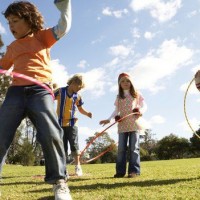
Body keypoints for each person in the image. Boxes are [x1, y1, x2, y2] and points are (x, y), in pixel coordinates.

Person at [0, 1, 72, 199]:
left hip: (40, 90)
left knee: (50, 132)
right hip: (15, 91)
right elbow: (2, 67)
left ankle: (59, 182)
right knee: (1, 133)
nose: (11, 26)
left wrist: (65, 7)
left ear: (29, 19)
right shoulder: (12, 47)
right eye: (8, 23)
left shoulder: (42, 37)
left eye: (15, 20)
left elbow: (63, 27)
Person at [99, 72, 147, 178]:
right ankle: (120, 171)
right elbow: (116, 110)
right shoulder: (119, 96)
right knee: (121, 149)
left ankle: (134, 171)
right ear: (119, 84)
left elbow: (144, 105)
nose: (125, 83)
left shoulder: (136, 93)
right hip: (123, 125)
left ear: (131, 82)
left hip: (134, 123)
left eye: (128, 81)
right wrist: (109, 119)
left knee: (134, 148)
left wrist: (140, 110)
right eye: (123, 81)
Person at [54, 74, 92, 177]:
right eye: (78, 87)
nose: (79, 90)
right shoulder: (60, 91)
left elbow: (80, 109)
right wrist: (51, 88)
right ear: (73, 83)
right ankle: (63, 168)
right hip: (60, 123)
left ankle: (78, 166)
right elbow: (49, 97)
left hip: (72, 123)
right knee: (62, 146)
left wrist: (87, 113)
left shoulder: (77, 96)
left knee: (74, 145)